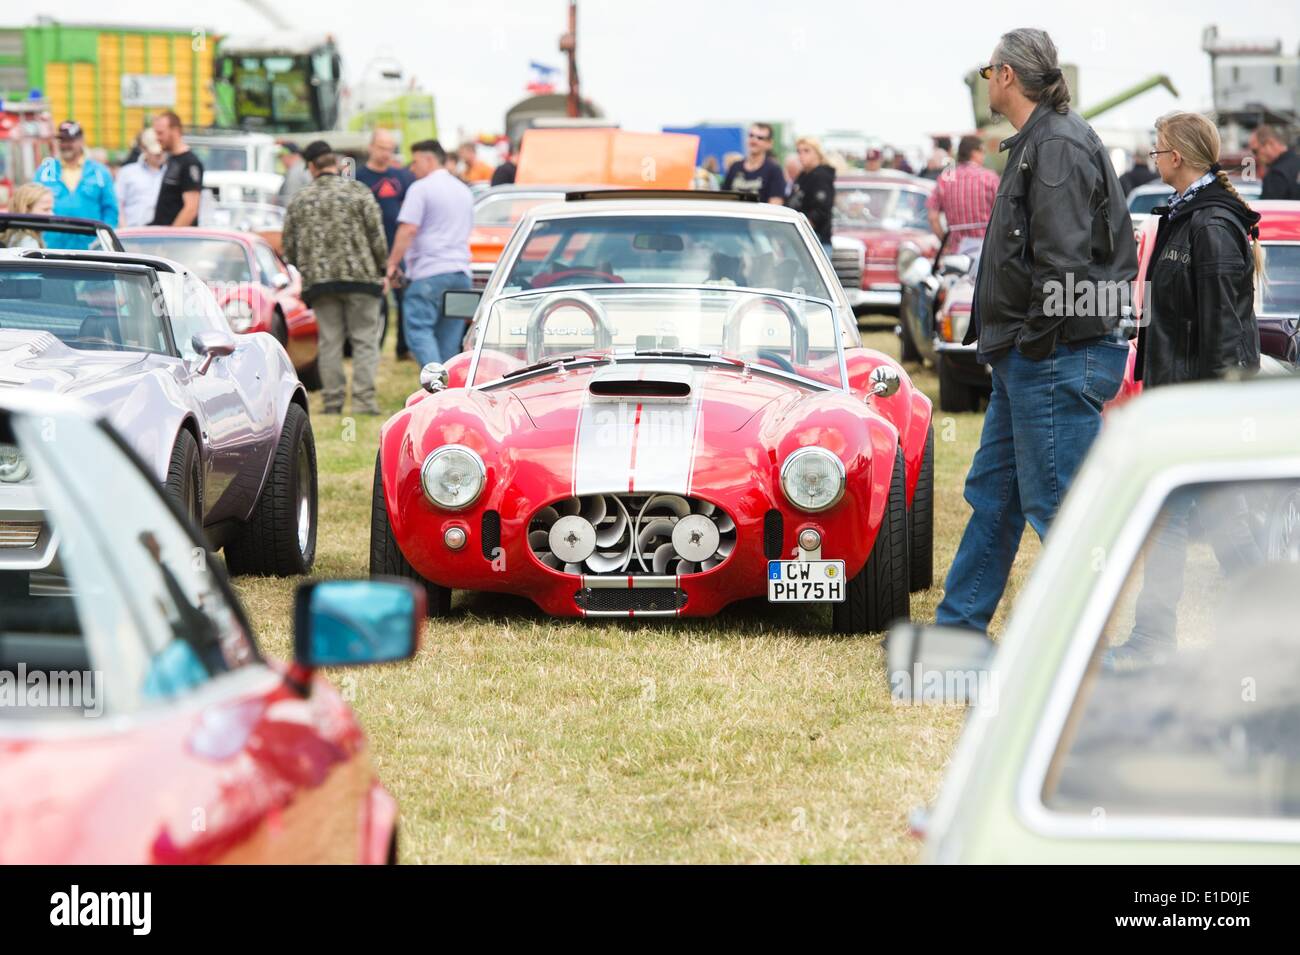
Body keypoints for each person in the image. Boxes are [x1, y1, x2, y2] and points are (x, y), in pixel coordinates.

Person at [935, 28, 1137, 635]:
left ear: (1007, 76)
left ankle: (1092, 651)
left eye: (986, 71)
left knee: (1057, 508)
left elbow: (1065, 263)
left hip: (1055, 354)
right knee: (995, 498)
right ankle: (957, 634)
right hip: (1035, 357)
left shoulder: (1057, 146)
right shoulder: (1040, 141)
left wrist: (1034, 343)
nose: (984, 80)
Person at [1107, 111, 1263, 669]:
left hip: (1201, 403)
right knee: (1191, 519)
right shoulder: (1187, 214)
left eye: (1158, 148)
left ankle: (1272, 626)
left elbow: (1223, 327)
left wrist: (1217, 410)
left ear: (1178, 155)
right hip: (1181, 400)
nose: (1154, 156)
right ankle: (1156, 639)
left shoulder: (1211, 224)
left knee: (1218, 522)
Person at [282, 140, 389, 416]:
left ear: (312, 168)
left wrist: (307, 267)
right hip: (362, 279)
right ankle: (364, 402)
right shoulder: (359, 192)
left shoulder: (300, 199)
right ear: (336, 164)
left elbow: (289, 247)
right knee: (364, 340)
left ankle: (333, 403)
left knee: (330, 341)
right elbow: (377, 237)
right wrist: (382, 268)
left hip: (320, 282)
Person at [387, 139, 474, 368]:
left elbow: (408, 228)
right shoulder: (464, 190)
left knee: (418, 329)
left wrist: (392, 263)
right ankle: (448, 390)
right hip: (461, 274)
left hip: (430, 272)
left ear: (428, 159)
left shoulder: (420, 188)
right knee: (450, 337)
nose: (411, 168)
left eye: (414, 162)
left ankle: (435, 386)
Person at [355, 128, 416, 358]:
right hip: (369, 252)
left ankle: (403, 348)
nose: (385, 153)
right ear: (371, 147)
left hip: (399, 250)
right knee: (375, 303)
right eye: (381, 148)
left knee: (405, 300)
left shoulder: (402, 177)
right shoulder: (359, 178)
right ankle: (373, 348)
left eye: (390, 149)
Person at [33, 120, 118, 248]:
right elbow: (32, 204)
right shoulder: (46, 170)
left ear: (81, 141)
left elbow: (110, 210)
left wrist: (104, 240)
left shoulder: (99, 172)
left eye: (70, 140)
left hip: (91, 250)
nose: (65, 145)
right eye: (62, 140)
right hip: (52, 248)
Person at [926, 134, 1000, 259]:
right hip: (986, 252)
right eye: (983, 152)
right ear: (975, 153)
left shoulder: (945, 178)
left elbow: (933, 217)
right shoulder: (990, 178)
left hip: (956, 254)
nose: (984, 156)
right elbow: (1003, 215)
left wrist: (947, 244)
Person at [150, 111, 203, 227]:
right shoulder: (172, 160)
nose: (157, 138)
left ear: (175, 131)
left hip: (176, 241)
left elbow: (191, 208)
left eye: (161, 133)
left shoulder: (190, 163)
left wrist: (170, 237)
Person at [787, 137, 836, 258]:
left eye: (806, 151)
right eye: (799, 151)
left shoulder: (821, 175)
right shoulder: (804, 175)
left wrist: (800, 227)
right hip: (799, 240)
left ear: (818, 153)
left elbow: (820, 211)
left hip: (815, 241)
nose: (801, 155)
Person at [115, 129, 167, 227]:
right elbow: (118, 203)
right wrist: (124, 230)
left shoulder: (172, 175)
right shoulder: (127, 172)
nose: (159, 155)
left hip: (162, 235)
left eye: (162, 151)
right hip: (133, 234)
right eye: (155, 152)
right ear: (143, 149)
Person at [722, 123, 785, 204]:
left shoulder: (774, 170)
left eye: (760, 138)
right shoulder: (735, 167)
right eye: (751, 135)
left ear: (769, 143)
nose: (754, 140)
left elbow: (776, 206)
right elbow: (723, 200)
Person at [1248, 124, 1300, 201]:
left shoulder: (1277, 173)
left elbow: (1268, 209)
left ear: (1270, 144)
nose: (1256, 156)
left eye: (1255, 151)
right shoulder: (1296, 163)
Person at [1, 183, 54, 248]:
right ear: (26, 210)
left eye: (51, 209)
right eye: (45, 209)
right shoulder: (28, 244)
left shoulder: (14, 236)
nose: (52, 214)